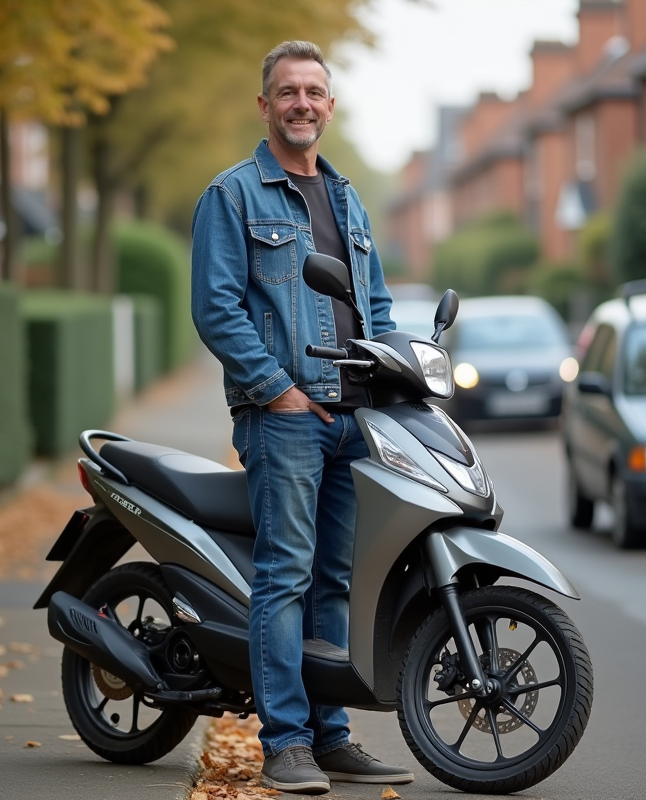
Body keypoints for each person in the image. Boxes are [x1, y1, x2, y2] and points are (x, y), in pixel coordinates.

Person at [189, 40, 413, 795]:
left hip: (355, 420)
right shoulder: (233, 194)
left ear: (330, 105)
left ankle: (332, 735)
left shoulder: (347, 199)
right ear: (265, 105)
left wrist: (392, 376)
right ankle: (284, 742)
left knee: (336, 581)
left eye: (315, 91)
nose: (302, 104)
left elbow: (374, 304)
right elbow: (216, 309)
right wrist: (279, 389)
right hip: (283, 419)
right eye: (288, 92)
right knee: (284, 577)